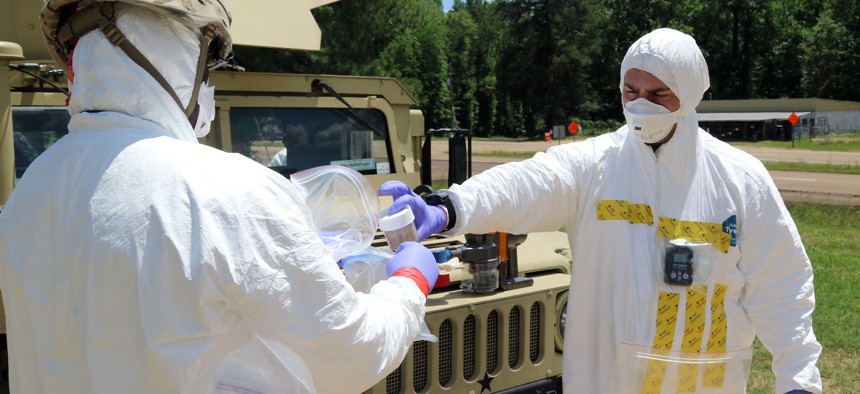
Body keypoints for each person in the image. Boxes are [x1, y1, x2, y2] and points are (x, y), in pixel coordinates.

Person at [0, 1, 438, 393]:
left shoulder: (28, 194)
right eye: (206, 65)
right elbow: (351, 356)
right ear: (182, 54)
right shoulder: (228, 189)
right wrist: (408, 284)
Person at [380, 28, 821, 393]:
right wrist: (450, 206)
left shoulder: (740, 180)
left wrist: (798, 378)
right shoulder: (596, 167)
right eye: (631, 90)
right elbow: (528, 184)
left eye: (658, 93)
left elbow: (783, 287)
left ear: (688, 94)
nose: (640, 104)